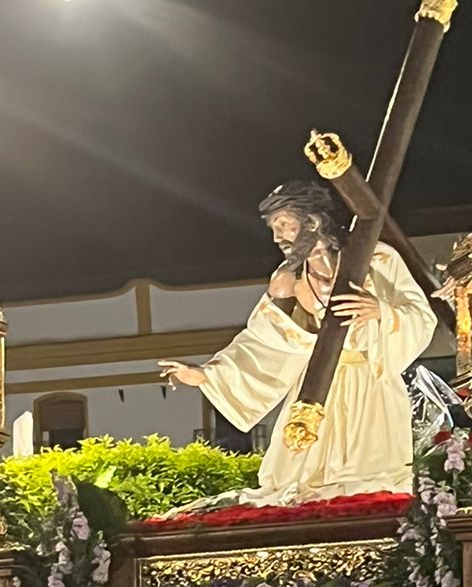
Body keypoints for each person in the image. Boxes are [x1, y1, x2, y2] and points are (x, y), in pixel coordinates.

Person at [159, 179, 437, 506]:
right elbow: (264, 341)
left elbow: (421, 316)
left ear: (313, 222)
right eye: (274, 229)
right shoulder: (287, 280)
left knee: (369, 489)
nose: (279, 238)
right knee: (298, 491)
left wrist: (381, 312)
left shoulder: (376, 259)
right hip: (313, 391)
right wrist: (208, 375)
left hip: (369, 386)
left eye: (285, 225)